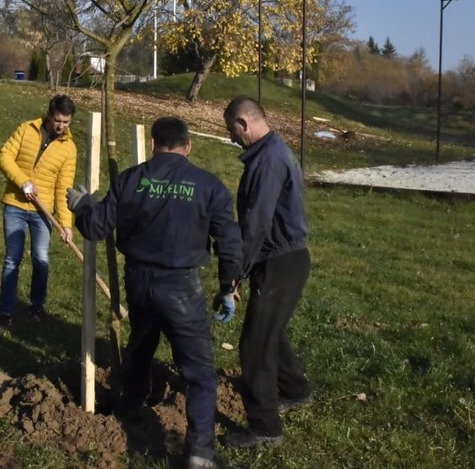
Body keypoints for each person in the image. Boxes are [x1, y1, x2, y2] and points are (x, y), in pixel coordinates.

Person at [67, 117, 242, 469]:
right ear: (188, 146)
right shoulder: (209, 186)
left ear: (152, 144)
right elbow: (229, 244)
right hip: (181, 287)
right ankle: (199, 453)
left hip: (139, 281)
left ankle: (130, 403)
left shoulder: (131, 179)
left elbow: (95, 227)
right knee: (199, 372)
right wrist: (228, 287)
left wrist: (82, 204)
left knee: (142, 343)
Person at [220, 96, 313, 449]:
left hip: (279, 260)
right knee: (270, 330)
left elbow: (255, 225)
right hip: (287, 257)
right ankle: (296, 390)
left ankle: (265, 428)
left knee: (255, 344)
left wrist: (233, 275)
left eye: (232, 130)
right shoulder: (273, 152)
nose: (231, 138)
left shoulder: (267, 162)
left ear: (244, 123)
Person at [0, 94, 77, 328]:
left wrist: (66, 224)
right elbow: (4, 157)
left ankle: (37, 306)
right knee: (13, 258)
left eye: (66, 122)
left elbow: (64, 187)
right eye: (57, 120)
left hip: (44, 211)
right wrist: (22, 182)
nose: (61, 126)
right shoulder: (27, 129)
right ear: (49, 115)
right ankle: (6, 311)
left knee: (41, 259)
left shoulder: (69, 148)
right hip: (15, 205)